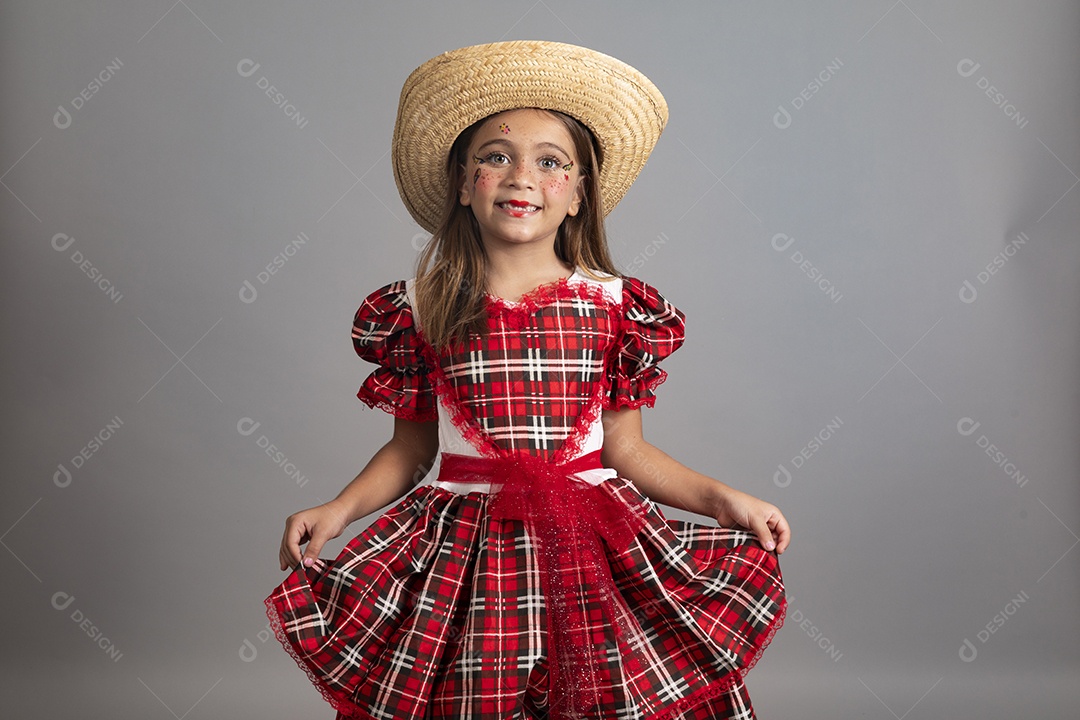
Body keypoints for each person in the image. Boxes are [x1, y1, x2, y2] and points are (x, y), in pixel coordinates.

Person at [265, 40, 789, 720]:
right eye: (495, 157)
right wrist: (336, 511)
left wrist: (724, 500)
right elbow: (412, 450)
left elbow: (627, 451)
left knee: (612, 691)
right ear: (462, 183)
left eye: (550, 162)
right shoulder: (420, 308)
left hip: (593, 546)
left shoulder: (615, 306)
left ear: (577, 194)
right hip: (470, 556)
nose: (521, 177)